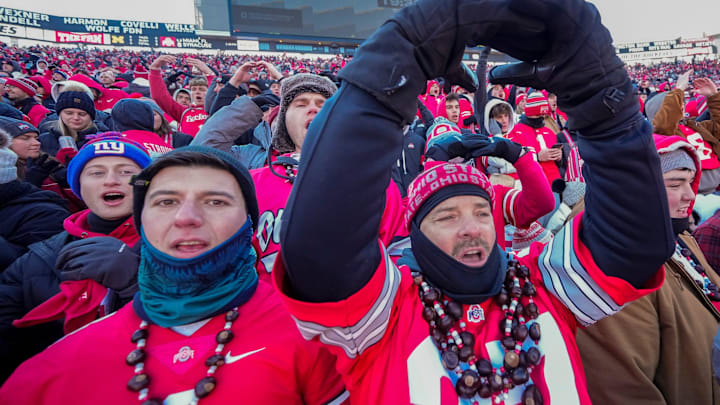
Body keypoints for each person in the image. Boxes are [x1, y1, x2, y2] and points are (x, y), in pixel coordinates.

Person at [271, 0, 672, 403]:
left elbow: (634, 244)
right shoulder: (385, 317)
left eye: (482, 211)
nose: (471, 226)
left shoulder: (542, 287)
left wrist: (604, 103)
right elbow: (322, 251)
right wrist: (392, 62)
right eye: (445, 216)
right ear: (415, 233)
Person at [0, 146, 347, 405]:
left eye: (216, 201)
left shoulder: (317, 335)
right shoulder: (54, 367)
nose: (187, 217)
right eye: (165, 201)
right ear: (141, 221)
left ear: (250, 223)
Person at [577, 134, 720, 404]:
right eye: (676, 184)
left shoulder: (676, 235)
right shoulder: (615, 264)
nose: (691, 195)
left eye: (690, 182)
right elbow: (623, 388)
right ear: (636, 189)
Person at [0, 136, 150, 380]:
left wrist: (137, 284)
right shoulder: (41, 257)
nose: (111, 180)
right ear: (78, 185)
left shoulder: (183, 247)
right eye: (96, 172)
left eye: (126, 171)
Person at [0, 130, 68, 270]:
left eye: (36, 138)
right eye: (26, 138)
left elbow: (40, 278)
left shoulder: (47, 215)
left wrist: (68, 177)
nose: (36, 143)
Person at [149, 55, 212, 137]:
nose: (197, 92)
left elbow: (218, 94)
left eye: (202, 89)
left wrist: (209, 73)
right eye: (194, 89)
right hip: (188, 149)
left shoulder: (216, 109)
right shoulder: (184, 112)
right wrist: (154, 69)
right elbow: (160, 97)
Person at [507, 92, 562, 184]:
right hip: (531, 183)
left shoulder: (549, 132)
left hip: (553, 183)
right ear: (530, 113)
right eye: (537, 115)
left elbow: (558, 164)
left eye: (543, 115)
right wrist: (537, 157)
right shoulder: (515, 131)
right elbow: (513, 160)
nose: (541, 118)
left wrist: (559, 157)